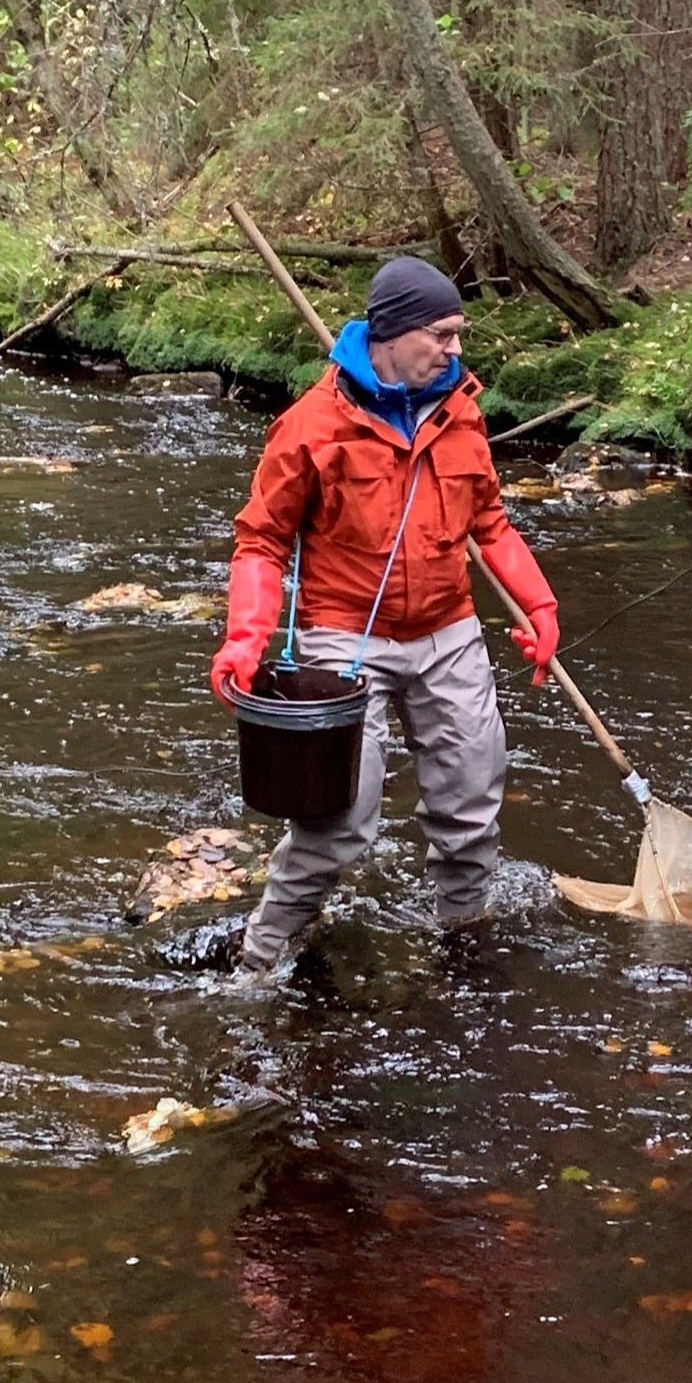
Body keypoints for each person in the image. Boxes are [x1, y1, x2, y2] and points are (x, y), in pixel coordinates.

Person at [208, 254, 561, 981]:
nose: (456, 349)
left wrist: (541, 605)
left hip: (449, 631)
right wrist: (245, 639)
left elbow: (491, 526)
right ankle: (261, 960)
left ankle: (462, 941)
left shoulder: (462, 410)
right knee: (339, 823)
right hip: (343, 638)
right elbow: (262, 542)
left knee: (471, 808)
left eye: (459, 333)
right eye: (443, 333)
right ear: (393, 335)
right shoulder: (310, 427)